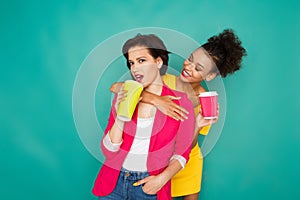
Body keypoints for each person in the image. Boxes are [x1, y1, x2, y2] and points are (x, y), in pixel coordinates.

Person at [110, 29, 247, 200]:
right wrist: (156, 100)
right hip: (156, 162)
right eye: (190, 59)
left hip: (187, 164)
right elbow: (117, 87)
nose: (188, 67)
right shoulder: (162, 80)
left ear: (210, 75)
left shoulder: (207, 102)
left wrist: (197, 125)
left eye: (198, 68)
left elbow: (190, 146)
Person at [92, 34, 195, 200]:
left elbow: (183, 152)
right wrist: (120, 118)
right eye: (131, 63)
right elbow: (108, 152)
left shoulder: (182, 103)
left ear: (158, 62)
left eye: (141, 60)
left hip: (148, 187)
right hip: (114, 183)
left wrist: (161, 179)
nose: (135, 68)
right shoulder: (125, 95)